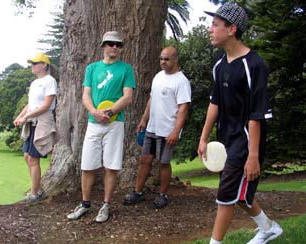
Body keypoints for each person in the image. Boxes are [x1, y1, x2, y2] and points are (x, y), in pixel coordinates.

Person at [198, 4, 282, 244]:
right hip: (226, 138)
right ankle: (268, 228)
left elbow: (256, 115)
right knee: (241, 193)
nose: (210, 29)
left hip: (246, 140)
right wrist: (204, 137)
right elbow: (215, 102)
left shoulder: (254, 64)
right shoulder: (219, 64)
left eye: (215, 25)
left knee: (226, 195)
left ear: (231, 29)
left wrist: (253, 156)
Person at [66, 31, 135, 222]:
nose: (114, 47)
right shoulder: (92, 68)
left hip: (115, 124)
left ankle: (105, 205)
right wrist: (95, 112)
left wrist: (111, 112)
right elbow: (85, 95)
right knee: (87, 165)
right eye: (111, 43)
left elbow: (127, 96)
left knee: (111, 166)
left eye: (118, 45)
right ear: (103, 45)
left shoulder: (126, 69)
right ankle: (85, 204)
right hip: (93, 122)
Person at [122, 46, 191, 209]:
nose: (163, 62)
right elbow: (152, 99)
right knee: (145, 160)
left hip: (168, 131)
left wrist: (176, 131)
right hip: (152, 128)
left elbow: (183, 109)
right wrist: (144, 120)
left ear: (175, 59)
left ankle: (163, 195)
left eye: (166, 59)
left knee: (163, 163)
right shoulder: (158, 76)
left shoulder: (182, 81)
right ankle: (137, 192)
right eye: (161, 58)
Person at [13, 53, 58, 203]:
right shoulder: (34, 83)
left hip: (42, 121)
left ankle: (34, 194)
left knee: (33, 158)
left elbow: (46, 106)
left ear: (44, 65)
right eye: (31, 63)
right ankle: (37, 189)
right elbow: (30, 104)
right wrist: (20, 116)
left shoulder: (50, 81)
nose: (32, 66)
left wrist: (26, 117)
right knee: (27, 156)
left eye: (35, 63)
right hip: (32, 120)